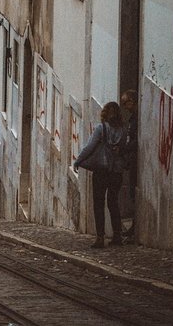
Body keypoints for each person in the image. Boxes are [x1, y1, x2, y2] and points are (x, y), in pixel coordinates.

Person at [74, 102, 128, 248]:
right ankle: (117, 235)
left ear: (104, 113)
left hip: (101, 170)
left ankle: (100, 238)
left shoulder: (101, 128)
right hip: (116, 171)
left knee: (98, 203)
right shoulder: (123, 130)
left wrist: (78, 161)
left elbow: (90, 147)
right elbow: (122, 148)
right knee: (113, 202)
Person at [121, 89, 138, 241]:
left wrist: (124, 149)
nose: (125, 107)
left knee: (134, 193)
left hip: (135, 160)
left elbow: (136, 140)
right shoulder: (134, 118)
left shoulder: (137, 118)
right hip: (131, 160)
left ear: (132, 101)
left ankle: (135, 227)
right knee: (132, 193)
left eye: (125, 103)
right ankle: (134, 226)